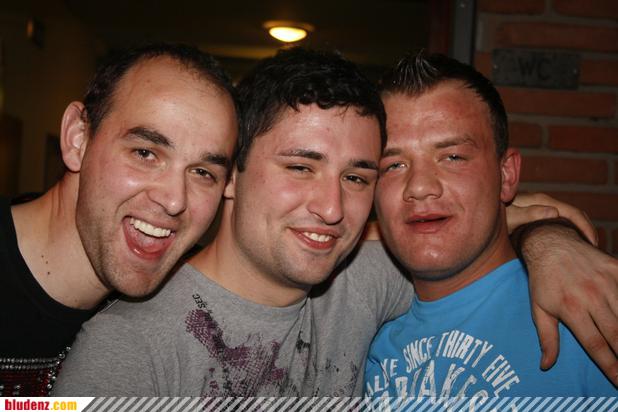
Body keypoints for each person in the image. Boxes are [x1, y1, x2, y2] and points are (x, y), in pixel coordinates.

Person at [54, 47, 617, 397]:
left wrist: (546, 238)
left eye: (357, 176)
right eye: (300, 167)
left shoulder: (364, 280)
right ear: (231, 174)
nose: (331, 208)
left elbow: (456, 234)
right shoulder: (125, 351)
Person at [364, 52, 616, 398]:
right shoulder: (361, 329)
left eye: (453, 157)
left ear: (506, 175)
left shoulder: (588, 309)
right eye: (393, 165)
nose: (419, 187)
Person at [0, 43, 238, 396]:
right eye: (145, 153)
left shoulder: (189, 304)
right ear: (78, 138)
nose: (174, 200)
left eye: (203, 172)